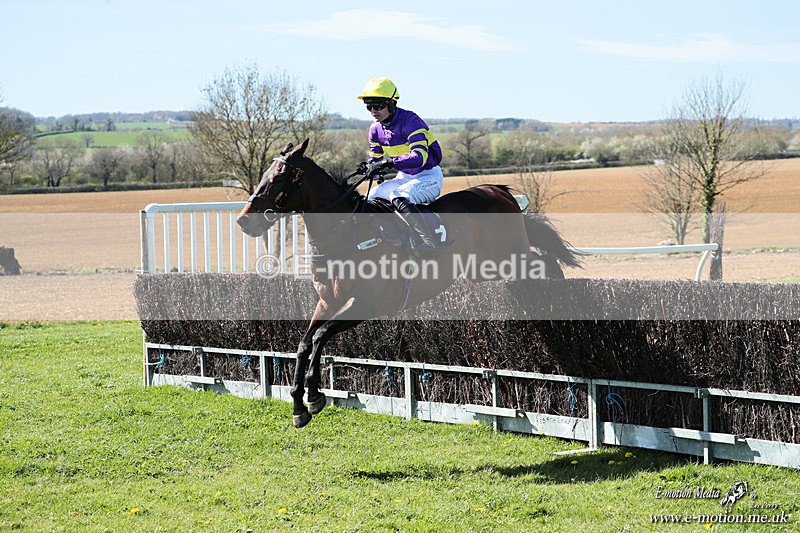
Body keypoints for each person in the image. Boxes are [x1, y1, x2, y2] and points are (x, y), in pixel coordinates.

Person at [356, 77, 444, 256]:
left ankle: (430, 243)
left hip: (428, 176)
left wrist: (388, 163)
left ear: (391, 102)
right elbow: (375, 158)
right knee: (370, 198)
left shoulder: (411, 121)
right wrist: (369, 167)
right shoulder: (375, 130)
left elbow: (419, 157)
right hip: (404, 177)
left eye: (378, 105)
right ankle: (387, 239)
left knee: (398, 196)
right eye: (368, 106)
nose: (373, 111)